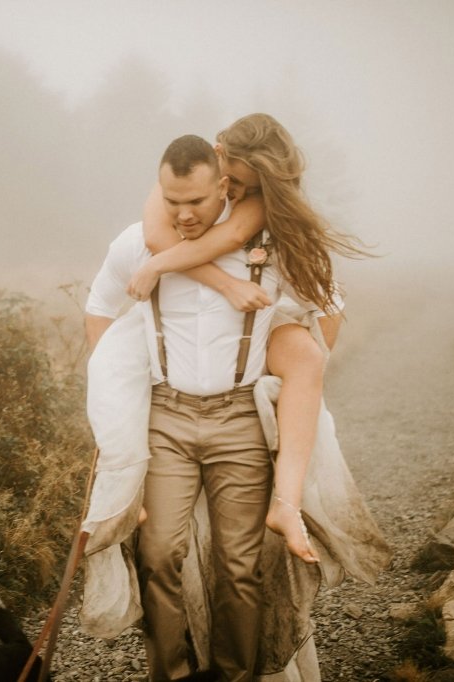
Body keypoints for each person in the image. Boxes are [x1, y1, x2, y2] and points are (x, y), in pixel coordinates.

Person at [84, 130, 339, 681]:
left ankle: (235, 675)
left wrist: (298, 357)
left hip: (239, 421)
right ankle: (171, 675)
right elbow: (99, 307)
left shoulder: (266, 247)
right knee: (156, 555)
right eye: (171, 202)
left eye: (196, 202)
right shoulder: (137, 243)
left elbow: (329, 304)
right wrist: (116, 395)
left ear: (224, 186)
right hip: (166, 420)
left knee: (240, 566)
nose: (184, 215)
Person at [122, 114, 368, 565]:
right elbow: (160, 241)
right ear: (219, 153)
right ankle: (122, 494)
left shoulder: (256, 202)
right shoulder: (186, 178)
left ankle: (287, 504)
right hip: (187, 345)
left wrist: (296, 377)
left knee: (307, 359)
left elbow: (323, 302)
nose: (232, 191)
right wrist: (224, 283)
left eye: (244, 186)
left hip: (257, 326)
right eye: (231, 180)